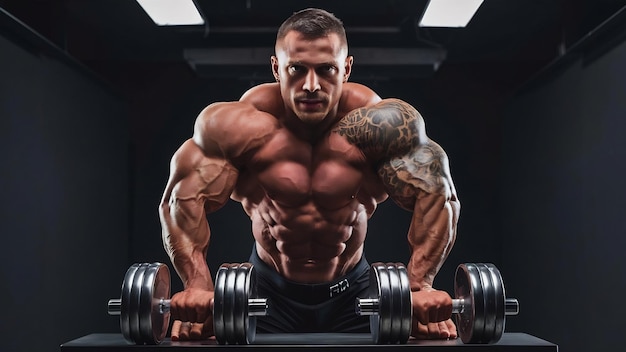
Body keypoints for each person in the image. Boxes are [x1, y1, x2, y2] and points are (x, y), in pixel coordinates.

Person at [158, 8, 460, 341]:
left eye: (326, 69)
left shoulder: (383, 128)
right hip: (262, 293)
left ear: (346, 68)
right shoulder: (233, 128)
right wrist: (198, 286)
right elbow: (180, 200)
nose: (311, 85)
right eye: (297, 69)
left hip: (357, 294)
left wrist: (419, 286)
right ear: (276, 68)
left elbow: (437, 194)